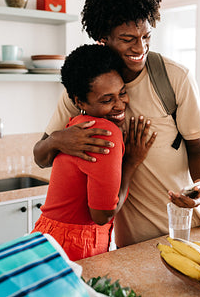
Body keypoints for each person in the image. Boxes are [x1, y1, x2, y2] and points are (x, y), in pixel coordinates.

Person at [33, 0, 200, 248]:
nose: (140, 47)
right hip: (133, 241)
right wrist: (59, 140)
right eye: (127, 38)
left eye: (146, 36)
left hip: (190, 226)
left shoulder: (174, 77)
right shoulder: (85, 88)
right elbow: (41, 155)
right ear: (103, 36)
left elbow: (198, 147)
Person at [32, 44, 156, 260]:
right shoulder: (104, 133)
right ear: (79, 102)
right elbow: (102, 215)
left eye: (122, 93)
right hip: (72, 247)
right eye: (107, 100)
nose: (119, 105)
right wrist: (131, 162)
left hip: (49, 238)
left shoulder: (78, 123)